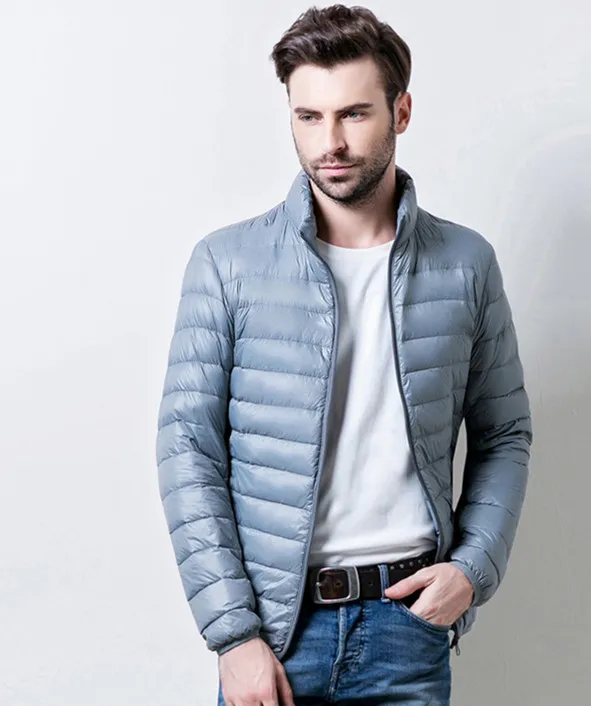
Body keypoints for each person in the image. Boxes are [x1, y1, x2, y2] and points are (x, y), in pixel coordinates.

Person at [156, 4, 532, 705]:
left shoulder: (466, 264)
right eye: (309, 117)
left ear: (401, 111)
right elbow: (188, 450)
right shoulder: (227, 264)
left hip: (408, 625)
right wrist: (233, 634)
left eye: (354, 114)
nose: (329, 142)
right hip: (277, 633)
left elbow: (504, 433)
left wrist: (473, 568)